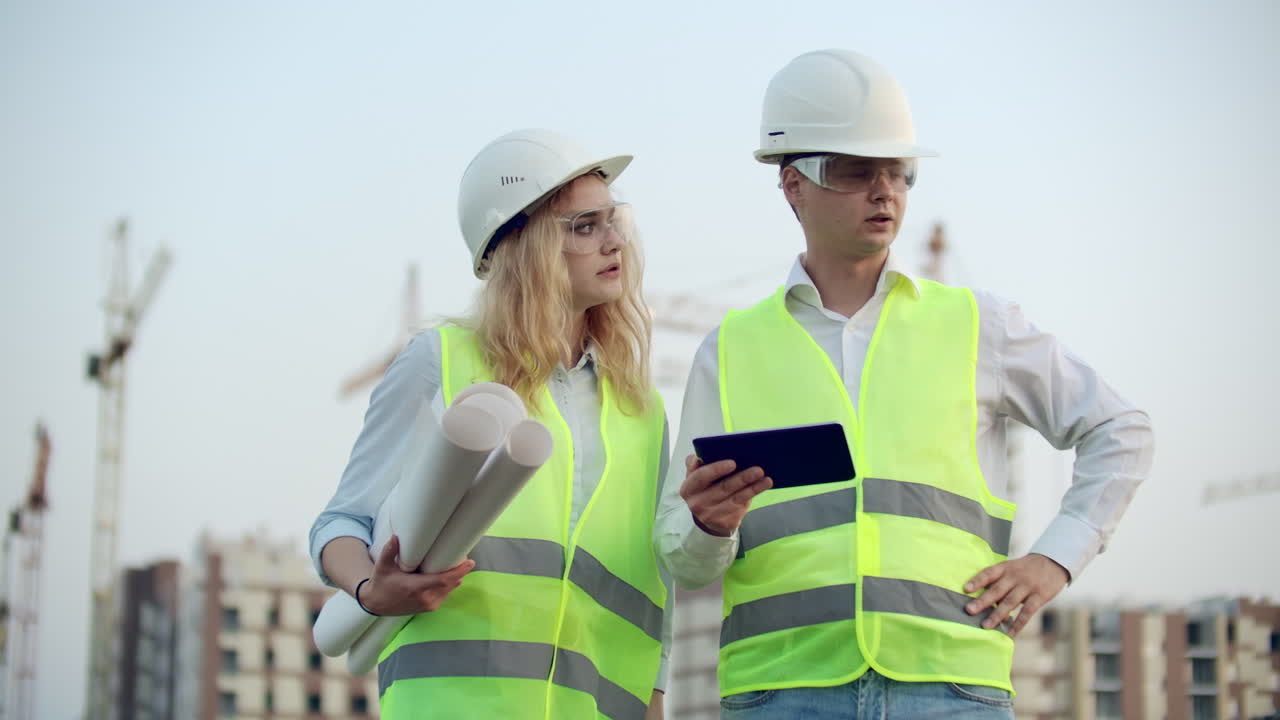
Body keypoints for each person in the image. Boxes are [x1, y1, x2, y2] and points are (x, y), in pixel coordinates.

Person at [655, 49, 1155, 718]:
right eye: (855, 170)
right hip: (782, 692)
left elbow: (1121, 429)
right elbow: (684, 561)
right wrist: (707, 527)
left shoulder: (980, 325)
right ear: (792, 184)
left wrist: (1054, 560)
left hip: (952, 688)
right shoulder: (730, 350)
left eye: (898, 171)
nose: (884, 190)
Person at [311, 128, 672, 720]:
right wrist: (371, 591)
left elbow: (655, 600)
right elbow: (340, 525)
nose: (615, 242)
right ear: (524, 246)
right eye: (586, 226)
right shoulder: (439, 362)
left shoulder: (642, 409)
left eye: (615, 221)